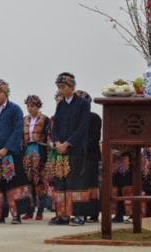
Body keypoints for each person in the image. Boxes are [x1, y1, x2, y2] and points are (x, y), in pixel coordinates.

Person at [0, 79, 32, 224]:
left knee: (14, 184)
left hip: (11, 154)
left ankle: (16, 216)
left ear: (6, 93)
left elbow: (17, 131)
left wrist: (5, 149)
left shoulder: (15, 109)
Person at [49, 72, 91, 226]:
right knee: (61, 183)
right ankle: (63, 215)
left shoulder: (83, 104)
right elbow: (56, 126)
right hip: (60, 151)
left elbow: (82, 127)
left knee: (76, 183)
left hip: (76, 150)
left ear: (72, 86)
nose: (61, 89)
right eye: (59, 87)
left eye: (63, 86)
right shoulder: (60, 105)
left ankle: (79, 215)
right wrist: (57, 142)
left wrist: (67, 143)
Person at [21, 95, 49, 221]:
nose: (30, 109)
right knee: (28, 182)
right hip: (27, 151)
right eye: (28, 106)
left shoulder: (45, 119)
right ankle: (29, 211)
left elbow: (48, 136)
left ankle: (41, 211)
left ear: (38, 106)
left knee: (39, 182)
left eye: (32, 106)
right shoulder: (24, 120)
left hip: (40, 151)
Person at [75, 90, 102, 223]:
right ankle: (81, 212)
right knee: (80, 184)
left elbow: (95, 138)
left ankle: (93, 213)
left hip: (90, 156)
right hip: (77, 156)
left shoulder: (94, 117)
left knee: (91, 184)